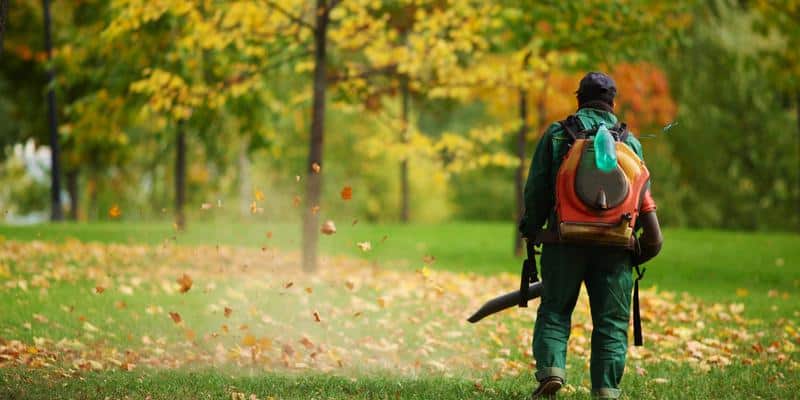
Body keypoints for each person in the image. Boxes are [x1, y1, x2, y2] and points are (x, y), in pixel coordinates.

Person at [518, 72, 663, 399]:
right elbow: (642, 198)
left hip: (564, 241)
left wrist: (532, 230)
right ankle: (606, 390)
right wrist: (630, 248)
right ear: (612, 103)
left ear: (579, 99)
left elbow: (538, 190)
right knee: (611, 325)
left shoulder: (558, 134)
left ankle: (553, 370)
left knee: (555, 311)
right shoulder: (631, 142)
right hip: (615, 247)